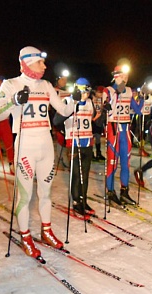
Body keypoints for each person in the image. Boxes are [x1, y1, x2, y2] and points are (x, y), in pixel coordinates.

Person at [0, 46, 75, 259]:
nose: (45, 66)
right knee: (25, 196)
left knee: (46, 193)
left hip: (46, 145)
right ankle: (25, 236)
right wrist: (14, 100)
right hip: (25, 146)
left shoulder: (46, 85)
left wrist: (75, 100)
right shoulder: (12, 84)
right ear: (28, 62)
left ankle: (46, 231)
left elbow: (64, 110)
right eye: (41, 62)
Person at [54, 78, 96, 217]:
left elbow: (95, 121)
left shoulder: (90, 103)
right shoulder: (67, 101)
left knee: (85, 174)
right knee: (76, 174)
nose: (86, 93)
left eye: (88, 90)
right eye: (84, 90)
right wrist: (73, 106)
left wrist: (103, 115)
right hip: (74, 142)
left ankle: (83, 200)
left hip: (87, 142)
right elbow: (56, 121)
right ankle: (76, 202)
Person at [102, 65, 144, 206]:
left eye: (127, 76)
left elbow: (137, 111)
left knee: (125, 163)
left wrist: (143, 98)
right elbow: (106, 106)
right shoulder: (108, 90)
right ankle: (110, 192)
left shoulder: (128, 91)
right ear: (116, 76)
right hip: (113, 128)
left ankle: (124, 191)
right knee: (112, 163)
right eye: (124, 75)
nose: (126, 78)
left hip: (125, 130)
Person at [53, 75, 71, 171]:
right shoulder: (53, 90)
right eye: (62, 79)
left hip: (66, 117)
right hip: (58, 118)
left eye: (65, 80)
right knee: (60, 139)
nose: (64, 81)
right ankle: (59, 161)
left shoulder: (67, 91)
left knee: (65, 138)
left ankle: (64, 159)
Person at [91, 85, 106, 161]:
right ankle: (91, 154)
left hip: (99, 122)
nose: (101, 94)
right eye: (99, 92)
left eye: (102, 93)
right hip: (93, 121)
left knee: (98, 138)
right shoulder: (91, 98)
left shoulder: (103, 100)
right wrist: (93, 119)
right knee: (92, 137)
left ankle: (98, 153)